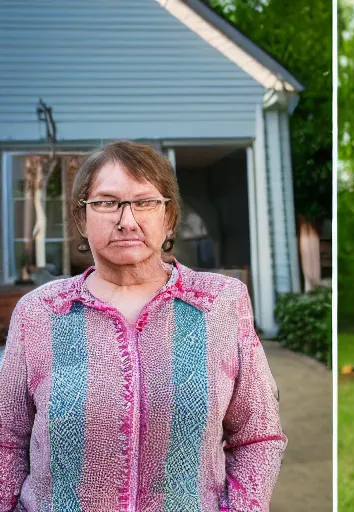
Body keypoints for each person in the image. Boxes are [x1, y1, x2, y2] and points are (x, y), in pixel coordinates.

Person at [0, 140, 287, 511]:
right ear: (81, 219)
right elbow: (6, 440)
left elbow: (257, 436)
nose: (127, 220)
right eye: (106, 202)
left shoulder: (220, 304)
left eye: (145, 201)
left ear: (168, 217)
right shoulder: (39, 312)